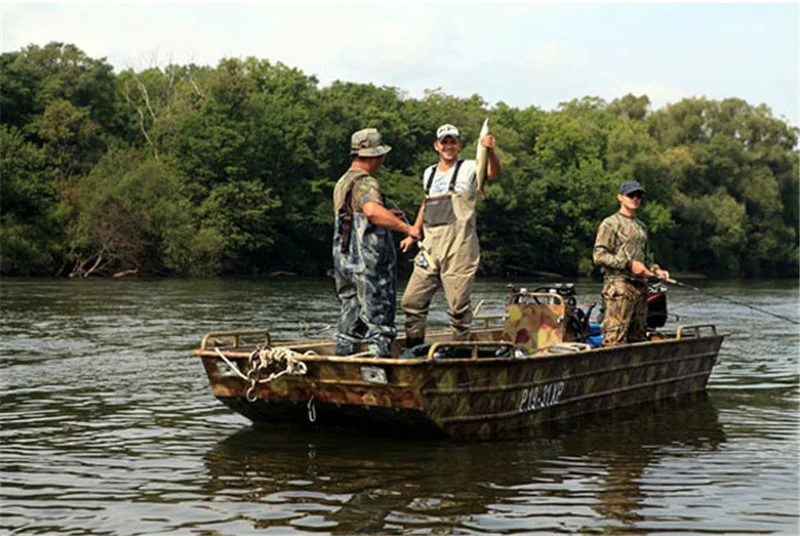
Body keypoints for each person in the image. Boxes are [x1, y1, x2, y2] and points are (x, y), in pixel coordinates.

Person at [399, 123, 502, 347]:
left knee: (458, 309)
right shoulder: (429, 173)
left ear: (459, 145)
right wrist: (413, 233)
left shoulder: (469, 167)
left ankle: (459, 353)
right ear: (437, 146)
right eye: (444, 142)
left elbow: (494, 173)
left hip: (460, 249)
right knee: (411, 302)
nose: (448, 146)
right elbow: (425, 204)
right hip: (430, 248)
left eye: (452, 141)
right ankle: (413, 350)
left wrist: (490, 150)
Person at [332, 128, 421, 357]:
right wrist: (406, 228)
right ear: (374, 156)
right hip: (369, 265)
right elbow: (371, 212)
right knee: (378, 318)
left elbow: (356, 214)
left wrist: (387, 214)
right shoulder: (366, 182)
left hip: (344, 263)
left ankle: (343, 361)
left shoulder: (343, 182)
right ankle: (377, 371)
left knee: (350, 312)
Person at [593, 180, 670, 346]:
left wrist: (657, 270)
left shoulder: (641, 226)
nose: (635, 198)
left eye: (639, 196)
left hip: (640, 288)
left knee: (638, 338)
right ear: (620, 197)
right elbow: (599, 255)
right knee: (615, 339)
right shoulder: (610, 223)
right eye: (631, 195)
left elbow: (646, 259)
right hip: (618, 287)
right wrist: (628, 264)